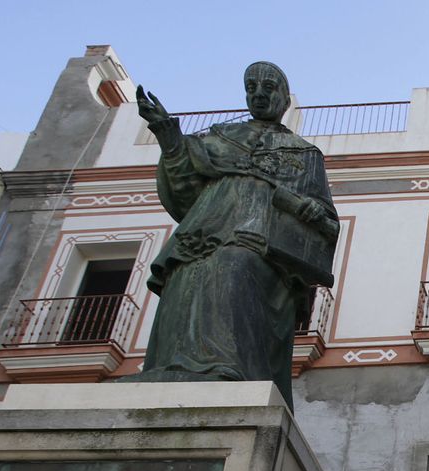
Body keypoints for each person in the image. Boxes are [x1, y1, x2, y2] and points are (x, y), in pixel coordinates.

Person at [133, 62, 338, 408]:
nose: (259, 94)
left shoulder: (303, 154)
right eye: (251, 86)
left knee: (234, 266)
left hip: (261, 242)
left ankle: (227, 366)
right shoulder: (216, 139)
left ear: (285, 99)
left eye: (269, 87)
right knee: (186, 281)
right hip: (204, 229)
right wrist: (170, 142)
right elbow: (183, 192)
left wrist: (311, 211)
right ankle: (176, 366)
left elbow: (323, 218)